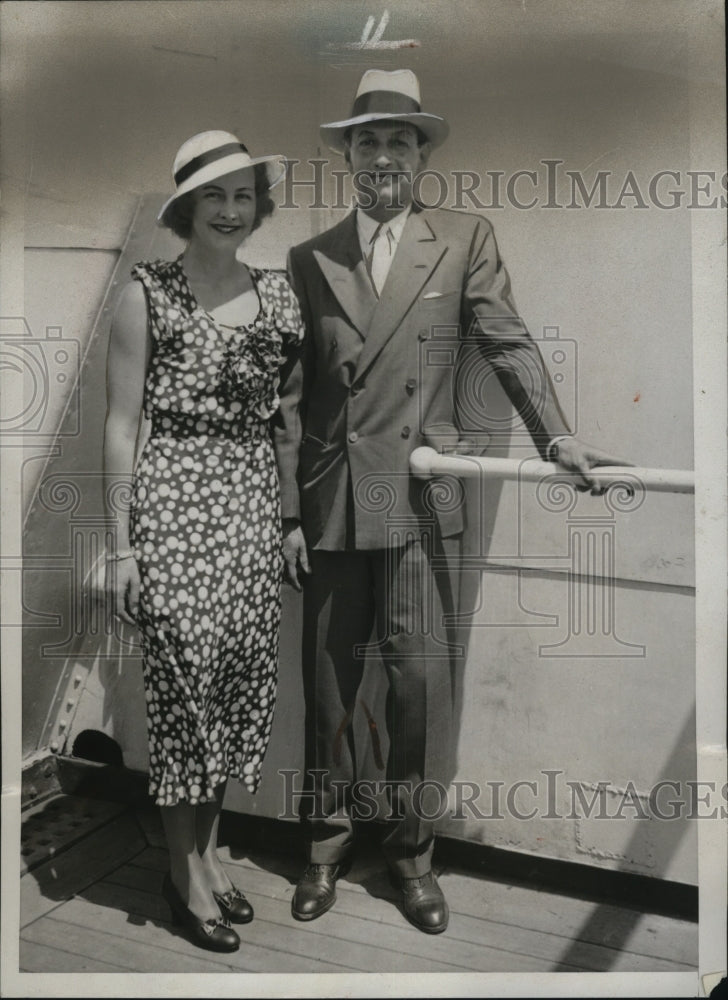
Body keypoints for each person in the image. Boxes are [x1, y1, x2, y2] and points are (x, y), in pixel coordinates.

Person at [273, 69, 628, 934]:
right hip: (329, 507)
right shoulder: (308, 258)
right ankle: (324, 844)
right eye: (368, 141)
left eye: (400, 140)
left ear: (423, 153)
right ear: (349, 157)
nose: (383, 154)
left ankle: (409, 854)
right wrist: (287, 510)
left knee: (419, 687)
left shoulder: (465, 238)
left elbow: (507, 343)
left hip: (421, 500)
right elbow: (292, 398)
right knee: (328, 688)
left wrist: (556, 438)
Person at [103, 131, 303, 952]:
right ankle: (181, 874)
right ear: (187, 207)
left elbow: (289, 424)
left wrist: (289, 519)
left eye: (245, 195)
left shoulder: (281, 295)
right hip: (175, 503)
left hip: (251, 505)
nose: (230, 210)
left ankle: (210, 854)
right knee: (184, 690)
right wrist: (120, 548)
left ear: (259, 206)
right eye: (215, 196)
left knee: (233, 688)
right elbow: (120, 426)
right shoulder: (145, 293)